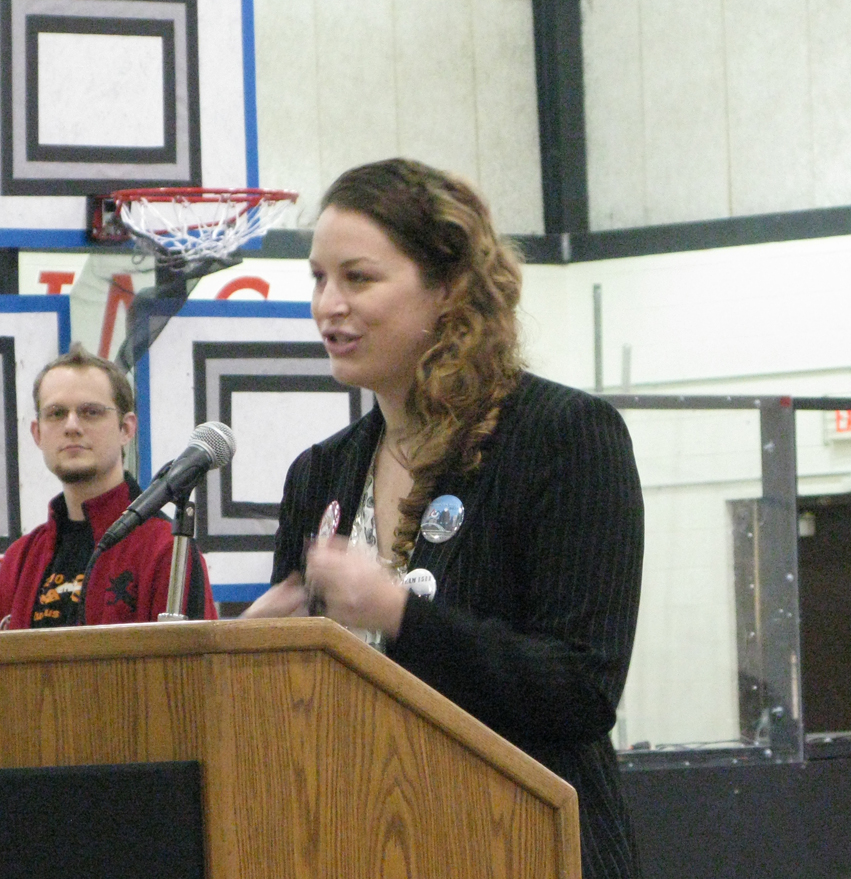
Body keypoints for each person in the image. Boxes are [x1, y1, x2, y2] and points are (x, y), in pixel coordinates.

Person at [243, 159, 645, 879]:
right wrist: (257, 653)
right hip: (361, 842)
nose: (328, 304)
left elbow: (581, 689)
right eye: (317, 278)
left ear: (449, 288)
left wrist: (400, 613)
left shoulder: (564, 435)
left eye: (358, 278)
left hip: (523, 845)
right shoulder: (319, 474)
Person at [0, 344, 216, 630]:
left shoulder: (167, 550)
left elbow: (193, 670)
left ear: (126, 429)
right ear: (37, 433)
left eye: (90, 412)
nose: (71, 425)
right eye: (56, 413)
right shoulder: (19, 560)